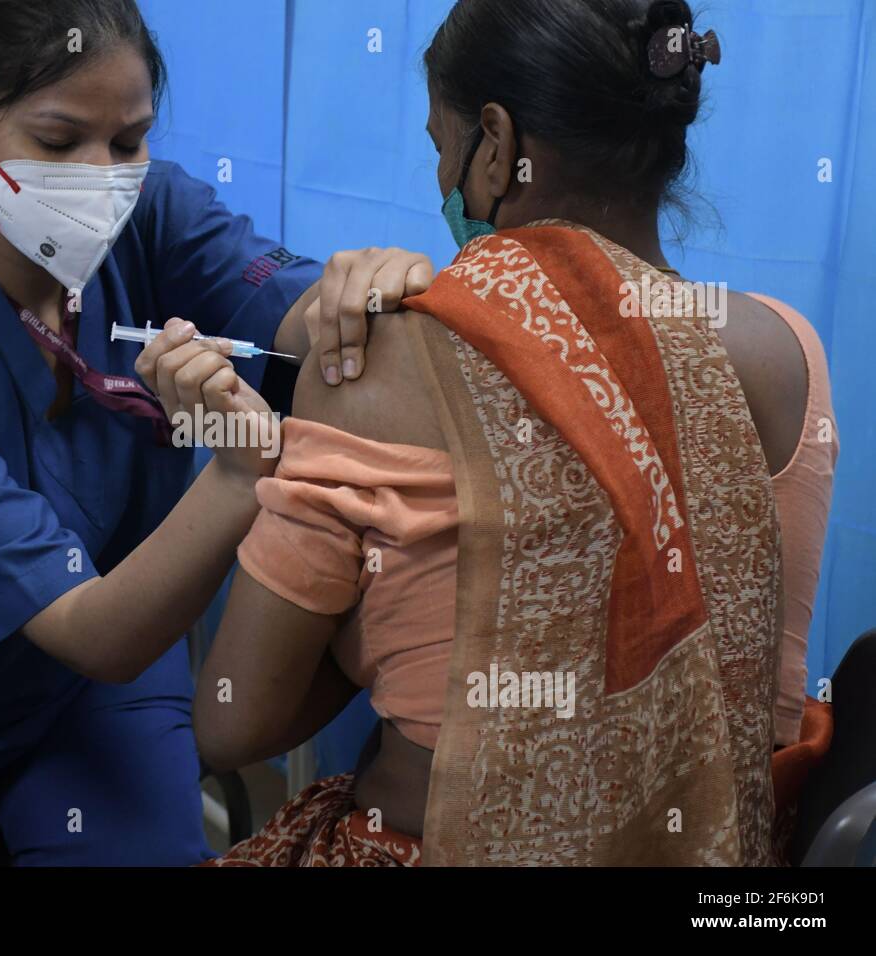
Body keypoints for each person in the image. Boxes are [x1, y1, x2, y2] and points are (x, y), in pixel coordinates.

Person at [0, 0, 432, 866]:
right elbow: (95, 629)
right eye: (57, 141)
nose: (103, 178)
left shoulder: (151, 216)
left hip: (86, 695)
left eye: (128, 142)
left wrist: (362, 288)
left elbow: (293, 319)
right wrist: (237, 477)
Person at [188, 0, 839, 866]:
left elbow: (234, 721)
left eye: (438, 146)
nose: (440, 178)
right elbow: (773, 706)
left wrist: (364, 628)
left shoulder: (375, 362)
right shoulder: (788, 358)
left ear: (495, 146)